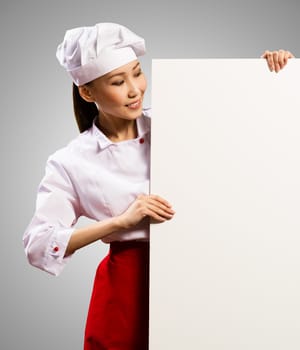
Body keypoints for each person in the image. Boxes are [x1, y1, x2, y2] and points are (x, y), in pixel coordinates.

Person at [22, 22, 294, 350]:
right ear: (87, 92)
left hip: (204, 271)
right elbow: (38, 246)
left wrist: (273, 76)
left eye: (137, 73)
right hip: (125, 290)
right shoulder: (70, 161)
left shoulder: (181, 119)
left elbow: (251, 134)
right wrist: (121, 221)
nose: (135, 89)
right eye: (118, 82)